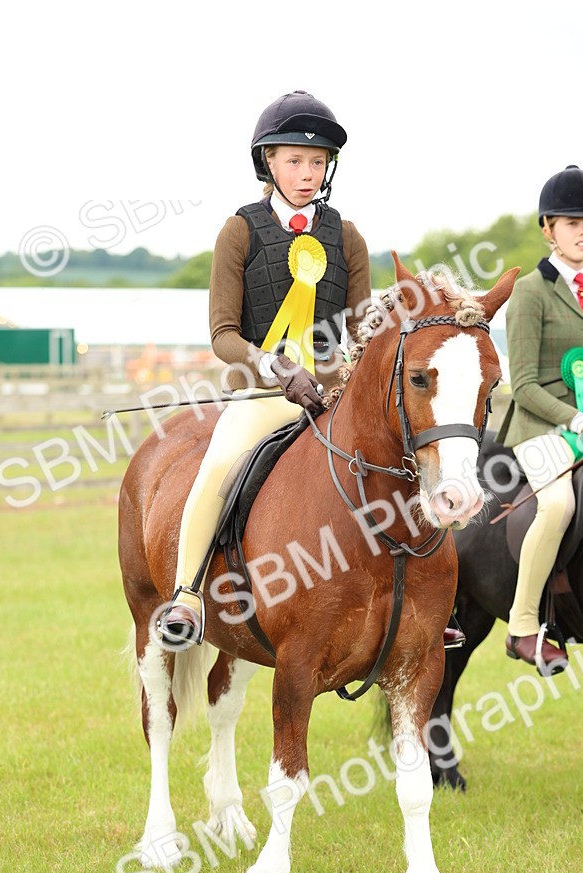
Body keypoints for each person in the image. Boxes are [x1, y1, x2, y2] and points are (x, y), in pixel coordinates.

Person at [156, 90, 372, 649]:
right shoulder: (241, 231)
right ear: (268, 162)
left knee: (402, 465)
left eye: (318, 162)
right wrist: (274, 365)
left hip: (331, 398)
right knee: (219, 467)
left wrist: (347, 370)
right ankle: (187, 595)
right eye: (294, 160)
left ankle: (421, 600)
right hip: (261, 396)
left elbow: (361, 329)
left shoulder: (347, 237)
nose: (307, 173)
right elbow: (223, 334)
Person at [496, 164, 583, 675]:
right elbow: (523, 384)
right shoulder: (530, 291)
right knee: (557, 505)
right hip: (540, 429)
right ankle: (522, 626)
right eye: (573, 223)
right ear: (548, 228)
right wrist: (574, 419)